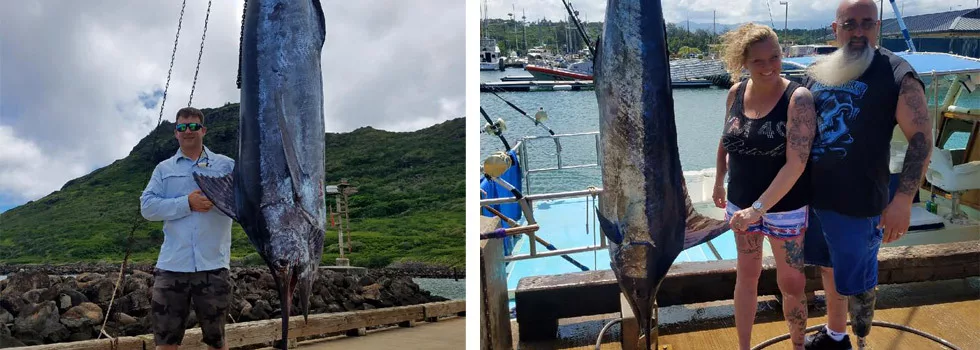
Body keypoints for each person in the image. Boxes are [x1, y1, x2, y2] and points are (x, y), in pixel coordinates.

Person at [800, 0, 932, 349]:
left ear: (878, 27)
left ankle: (859, 339)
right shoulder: (818, 70)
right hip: (814, 200)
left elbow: (921, 139)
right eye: (850, 24)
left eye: (867, 23)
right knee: (828, 271)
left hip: (859, 204)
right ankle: (836, 334)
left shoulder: (896, 72)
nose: (858, 31)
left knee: (858, 284)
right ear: (835, 28)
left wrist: (902, 200)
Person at [713, 23, 817, 350]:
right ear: (743, 62)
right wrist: (718, 179)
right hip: (740, 206)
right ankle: (743, 346)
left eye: (775, 56)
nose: (770, 66)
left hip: (783, 208)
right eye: (759, 61)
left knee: (792, 283)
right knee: (746, 278)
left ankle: (798, 345)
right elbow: (725, 139)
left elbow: (796, 163)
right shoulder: (734, 93)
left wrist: (757, 210)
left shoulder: (798, 99)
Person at [140, 107, 236, 350]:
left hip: (213, 263)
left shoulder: (226, 165)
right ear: (176, 133)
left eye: (194, 126)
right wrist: (186, 203)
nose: (188, 131)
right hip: (172, 265)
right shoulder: (164, 169)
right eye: (182, 127)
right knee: (166, 341)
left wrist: (218, 200)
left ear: (203, 130)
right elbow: (147, 207)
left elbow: (245, 201)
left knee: (217, 340)